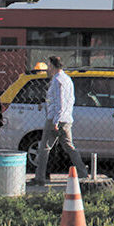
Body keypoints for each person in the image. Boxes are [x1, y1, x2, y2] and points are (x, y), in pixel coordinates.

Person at [30, 56, 88, 185]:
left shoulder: (57, 80)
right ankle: (83, 173)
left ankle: (40, 178)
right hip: (66, 119)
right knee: (69, 147)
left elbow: (59, 102)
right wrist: (46, 105)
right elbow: (68, 100)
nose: (47, 69)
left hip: (55, 119)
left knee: (44, 148)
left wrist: (55, 121)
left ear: (52, 66)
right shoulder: (67, 79)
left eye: (49, 66)